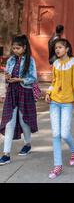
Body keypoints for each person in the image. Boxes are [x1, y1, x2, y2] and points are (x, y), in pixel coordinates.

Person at [45, 38, 74, 179]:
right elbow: (53, 82)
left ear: (67, 49)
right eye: (56, 48)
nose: (57, 50)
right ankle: (58, 166)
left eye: (60, 47)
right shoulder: (55, 63)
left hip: (67, 102)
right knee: (56, 134)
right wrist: (49, 93)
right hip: (55, 101)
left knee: (65, 133)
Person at [0, 35, 38, 165]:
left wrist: (20, 79)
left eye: (18, 48)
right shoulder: (11, 60)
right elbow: (6, 76)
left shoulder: (30, 60)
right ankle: (6, 154)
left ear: (24, 47)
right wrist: (8, 77)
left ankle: (27, 144)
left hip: (25, 93)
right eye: (14, 48)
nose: (15, 50)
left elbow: (33, 78)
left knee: (23, 121)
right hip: (12, 92)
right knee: (9, 122)